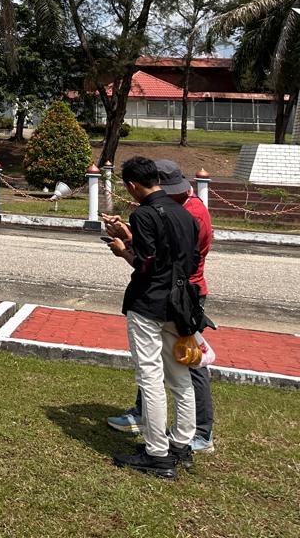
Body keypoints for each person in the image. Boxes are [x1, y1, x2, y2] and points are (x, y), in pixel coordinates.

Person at [107, 159, 216, 453]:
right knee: (180, 377)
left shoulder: (143, 214)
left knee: (151, 377)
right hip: (179, 304)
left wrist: (122, 251)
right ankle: (181, 442)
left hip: (149, 304)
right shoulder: (186, 214)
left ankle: (156, 451)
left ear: (131, 186)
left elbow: (146, 265)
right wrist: (131, 238)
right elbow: (188, 260)